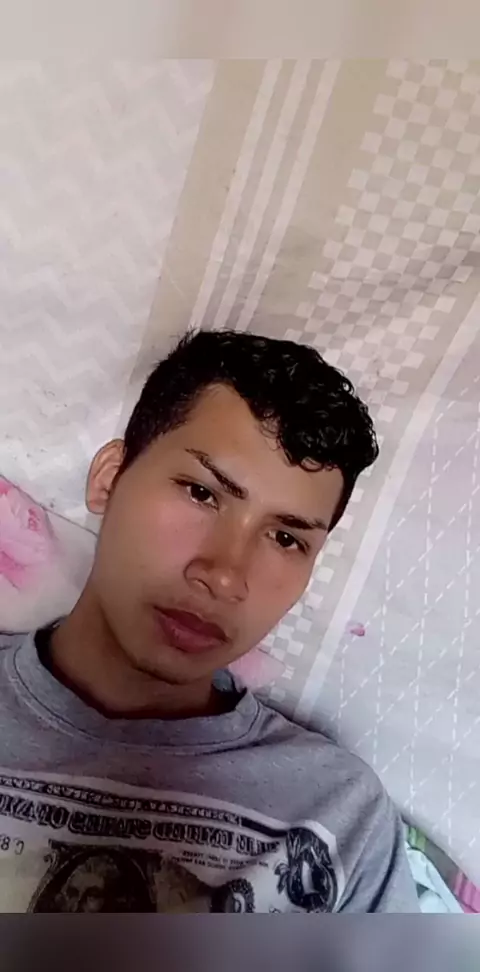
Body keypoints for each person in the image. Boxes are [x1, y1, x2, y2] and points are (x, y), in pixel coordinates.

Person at [0, 329, 418, 913]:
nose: (224, 575)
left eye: (285, 538)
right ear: (109, 478)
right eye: (201, 493)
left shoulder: (341, 814)